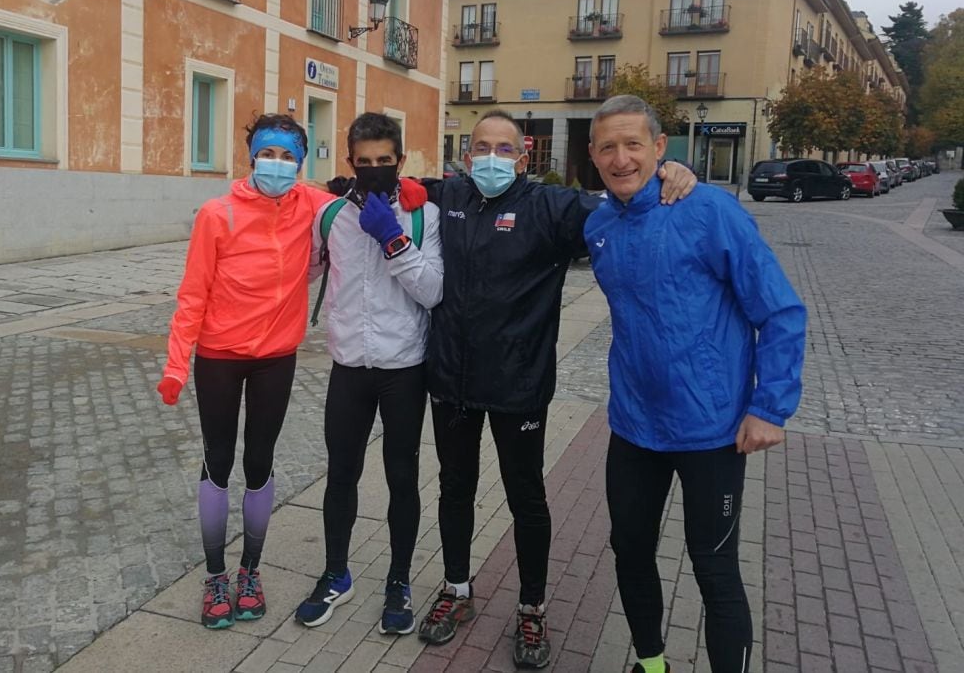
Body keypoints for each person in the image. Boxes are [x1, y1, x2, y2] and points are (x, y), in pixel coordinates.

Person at [418, 109, 696, 669]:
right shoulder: (446, 197)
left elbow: (625, 204)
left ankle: (532, 604)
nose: (490, 158)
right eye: (480, 148)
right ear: (465, 155)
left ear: (523, 158)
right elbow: (377, 185)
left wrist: (673, 175)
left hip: (519, 381)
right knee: (454, 488)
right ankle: (456, 588)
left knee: (527, 499)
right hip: (451, 378)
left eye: (504, 149)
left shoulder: (552, 206)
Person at [583, 95, 807, 673]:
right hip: (634, 425)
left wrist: (771, 408)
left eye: (634, 143)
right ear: (593, 155)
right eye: (608, 146)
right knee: (629, 550)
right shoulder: (599, 223)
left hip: (712, 427)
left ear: (660, 148)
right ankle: (652, 664)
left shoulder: (709, 210)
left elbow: (780, 311)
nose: (621, 157)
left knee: (713, 566)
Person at [156, 114, 336, 630]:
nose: (276, 165)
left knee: (260, 462)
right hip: (218, 356)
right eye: (267, 154)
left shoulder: (309, 206)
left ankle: (249, 572)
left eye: (287, 156)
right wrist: (175, 364)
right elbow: (192, 295)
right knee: (218, 461)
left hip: (276, 357)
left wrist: (411, 192)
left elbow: (362, 206)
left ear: (300, 163)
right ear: (252, 157)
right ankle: (215, 576)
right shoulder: (219, 214)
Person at [293, 112, 443, 635]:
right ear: (350, 164)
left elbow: (433, 292)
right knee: (341, 473)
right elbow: (303, 268)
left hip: (404, 367)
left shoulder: (426, 217)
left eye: (385, 161)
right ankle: (336, 572)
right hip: (348, 366)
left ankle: (399, 580)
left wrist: (395, 240)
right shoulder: (332, 216)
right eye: (365, 163)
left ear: (401, 162)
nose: (375, 169)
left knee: (402, 475)